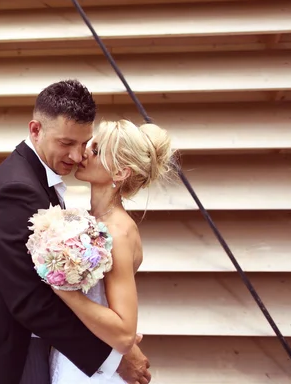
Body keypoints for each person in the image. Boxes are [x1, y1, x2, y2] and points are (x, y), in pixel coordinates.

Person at [0, 79, 151, 384]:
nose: (77, 156)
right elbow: (30, 300)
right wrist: (112, 358)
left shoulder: (41, 182)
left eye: (84, 143)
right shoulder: (15, 190)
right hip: (13, 352)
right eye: (66, 143)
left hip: (52, 347)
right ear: (36, 130)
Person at [49, 118, 176, 383]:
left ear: (120, 173)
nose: (83, 153)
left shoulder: (118, 232)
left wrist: (59, 286)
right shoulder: (89, 221)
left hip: (91, 372)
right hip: (72, 356)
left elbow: (124, 331)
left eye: (95, 151)